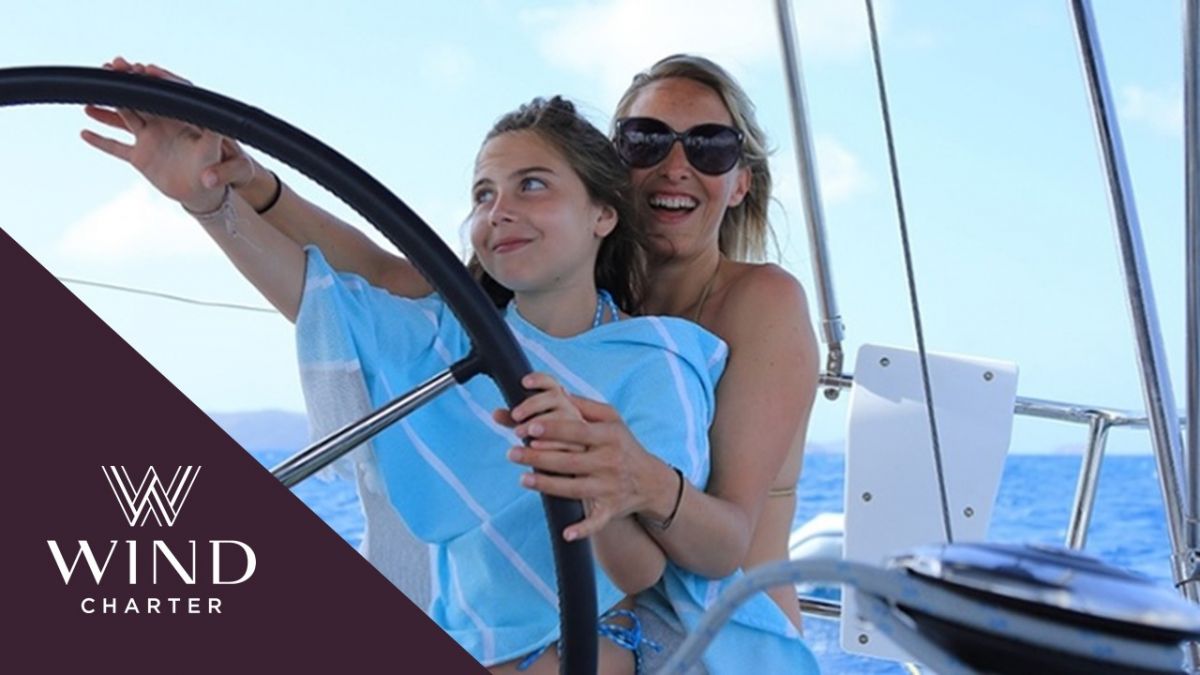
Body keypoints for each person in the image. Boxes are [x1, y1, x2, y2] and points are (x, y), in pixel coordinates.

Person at [84, 55, 820, 672]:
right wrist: (228, 183)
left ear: (741, 179)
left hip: (717, 636)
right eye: (646, 140)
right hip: (551, 626)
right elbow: (379, 276)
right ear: (613, 174)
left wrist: (629, 480)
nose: (677, 164)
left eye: (710, 147)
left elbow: (716, 544)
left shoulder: (747, 309)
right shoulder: (536, 303)